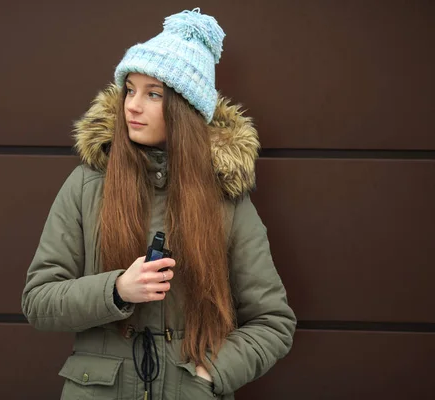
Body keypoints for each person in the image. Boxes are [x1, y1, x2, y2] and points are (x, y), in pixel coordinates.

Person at [22, 7, 296, 400]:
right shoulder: (87, 184)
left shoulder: (224, 199)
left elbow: (273, 322)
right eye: (130, 89)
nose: (132, 105)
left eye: (153, 94)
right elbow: (38, 299)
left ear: (184, 109)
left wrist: (208, 375)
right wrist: (116, 290)